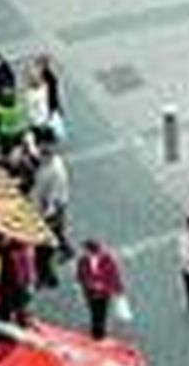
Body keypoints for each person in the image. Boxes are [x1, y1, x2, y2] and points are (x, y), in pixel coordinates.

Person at [32, 140, 72, 285]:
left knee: (45, 246)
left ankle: (47, 276)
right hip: (49, 208)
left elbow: (53, 197)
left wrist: (45, 215)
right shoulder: (48, 164)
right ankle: (66, 249)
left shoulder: (55, 171)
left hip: (51, 211)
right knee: (56, 234)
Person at [75, 240, 124, 340]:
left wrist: (118, 289)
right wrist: (90, 284)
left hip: (103, 291)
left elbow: (113, 274)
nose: (84, 252)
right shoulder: (83, 261)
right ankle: (96, 332)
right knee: (93, 311)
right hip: (90, 291)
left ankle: (99, 334)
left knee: (101, 312)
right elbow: (81, 275)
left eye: (85, 250)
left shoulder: (107, 260)